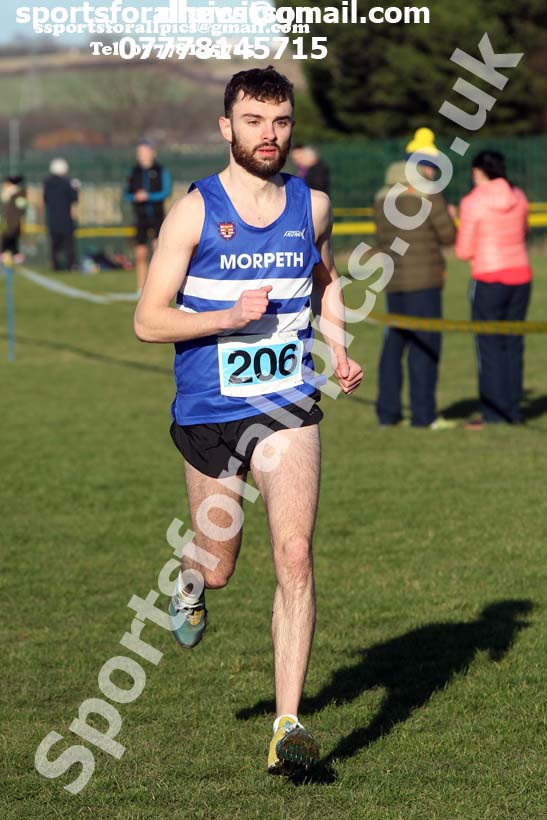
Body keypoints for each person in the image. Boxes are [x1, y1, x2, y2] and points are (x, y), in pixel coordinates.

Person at [134, 66, 362, 776]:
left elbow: (323, 280)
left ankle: (286, 725)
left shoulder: (313, 205)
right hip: (209, 410)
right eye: (255, 121)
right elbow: (147, 319)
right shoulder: (193, 211)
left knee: (293, 554)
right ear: (226, 127)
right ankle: (191, 582)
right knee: (221, 564)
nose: (270, 135)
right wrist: (225, 317)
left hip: (288, 402)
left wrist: (338, 342)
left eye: (281, 121)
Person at [374, 127, 456, 428]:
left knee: (394, 347)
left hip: (394, 282)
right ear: (421, 166)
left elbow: (380, 238)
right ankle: (424, 416)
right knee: (425, 347)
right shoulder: (429, 195)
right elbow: (448, 235)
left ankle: (387, 413)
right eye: (433, 167)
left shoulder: (382, 196)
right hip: (425, 283)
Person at [455, 150, 532, 428]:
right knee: (513, 343)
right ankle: (513, 410)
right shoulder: (519, 196)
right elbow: (524, 231)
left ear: (478, 171)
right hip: (521, 275)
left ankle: (492, 413)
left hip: (489, 277)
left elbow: (463, 250)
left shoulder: (472, 202)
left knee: (488, 347)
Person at [124, 139, 172, 292]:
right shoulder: (134, 172)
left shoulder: (160, 171)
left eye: (145, 152)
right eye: (140, 153)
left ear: (152, 153)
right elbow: (127, 193)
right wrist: (135, 197)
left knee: (159, 252)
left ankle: (160, 288)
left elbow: (166, 191)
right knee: (140, 253)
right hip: (140, 217)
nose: (142, 156)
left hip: (157, 216)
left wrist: (149, 196)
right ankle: (141, 288)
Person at [43, 158, 79, 272]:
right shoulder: (67, 183)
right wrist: (76, 188)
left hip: (52, 219)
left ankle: (55, 265)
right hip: (66, 219)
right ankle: (71, 265)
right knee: (69, 245)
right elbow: (74, 198)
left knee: (55, 245)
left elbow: (45, 199)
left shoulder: (47, 183)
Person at [1, 174, 27, 263]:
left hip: (13, 224)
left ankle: (14, 258)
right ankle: (13, 257)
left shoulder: (19, 194)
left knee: (8, 241)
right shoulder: (8, 194)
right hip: (9, 223)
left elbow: (20, 210)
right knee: (11, 244)